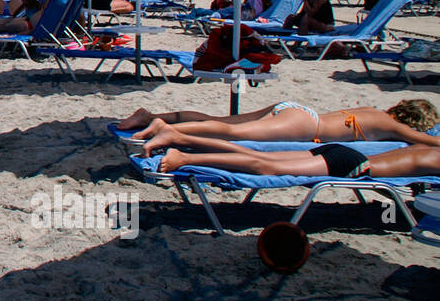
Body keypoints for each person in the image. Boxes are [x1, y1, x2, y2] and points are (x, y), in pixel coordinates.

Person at [119, 99, 440, 156]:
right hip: (305, 125)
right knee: (232, 133)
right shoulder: (393, 127)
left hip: (295, 109)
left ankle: (149, 117)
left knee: (221, 122)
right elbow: (422, 141)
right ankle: (166, 130)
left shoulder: (374, 111)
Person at [158, 138, 440, 180]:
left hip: (342, 151)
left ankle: (182, 142)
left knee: (258, 156)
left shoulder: (427, 147)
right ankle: (182, 157)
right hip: (353, 165)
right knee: (264, 166)